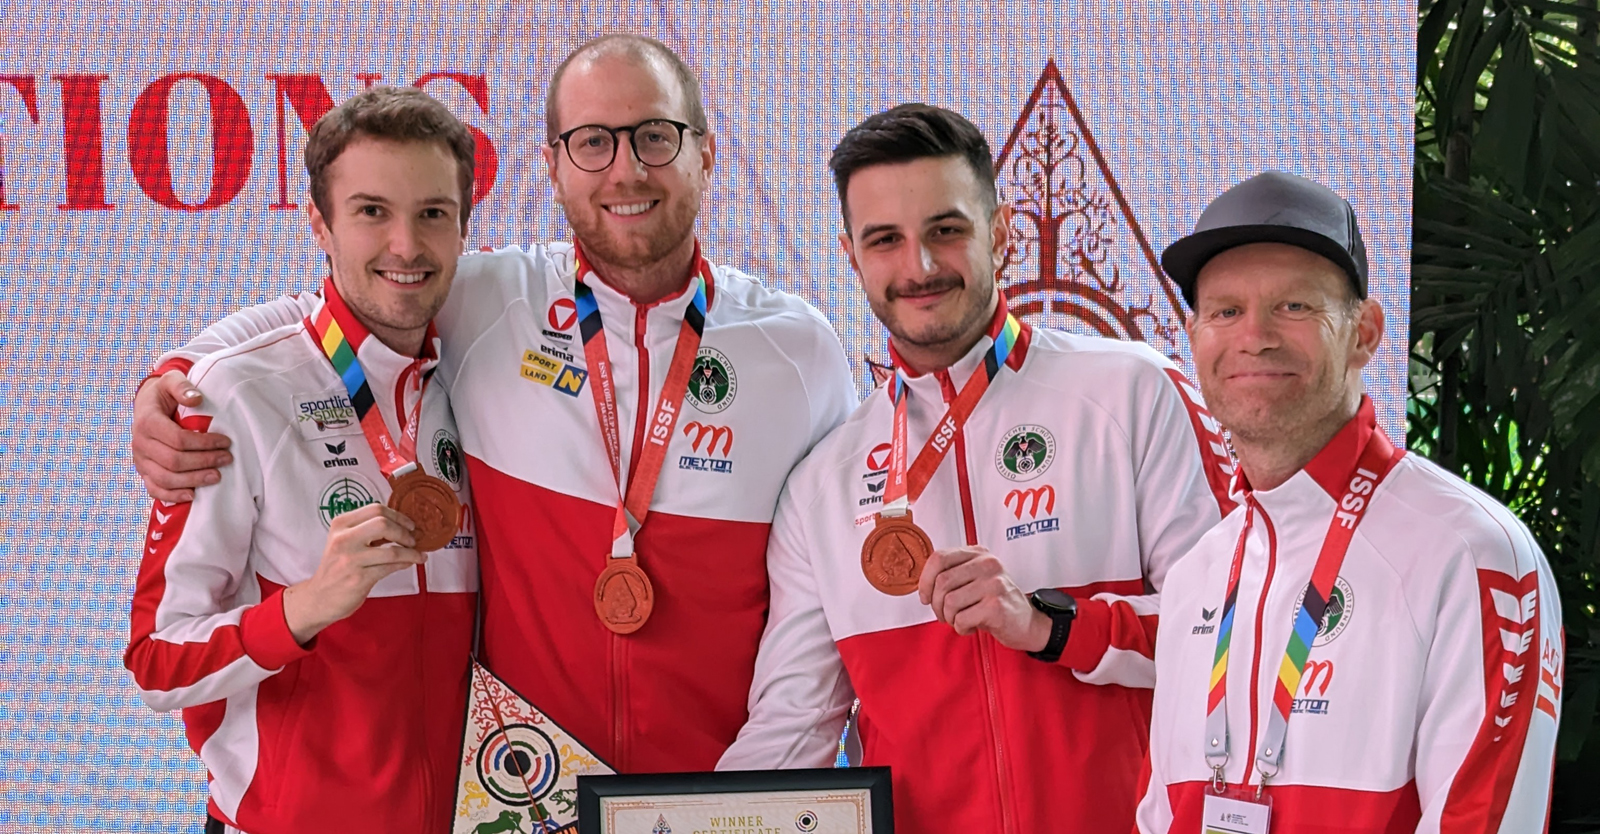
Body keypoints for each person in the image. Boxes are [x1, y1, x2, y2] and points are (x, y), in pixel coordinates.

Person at [127, 34, 857, 772]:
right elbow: (332, 311)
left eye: (657, 137)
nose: (627, 169)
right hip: (528, 800)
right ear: (554, 167)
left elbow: (820, 619)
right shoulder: (491, 301)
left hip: (718, 802)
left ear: (705, 152)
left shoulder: (801, 352)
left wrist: (747, 798)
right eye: (593, 142)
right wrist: (172, 374)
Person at [716, 104, 1237, 833]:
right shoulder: (823, 485)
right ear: (852, 255)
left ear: (1002, 230)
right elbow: (790, 730)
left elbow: (1235, 636)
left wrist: (1055, 626)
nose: (920, 267)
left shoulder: (1134, 392)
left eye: (946, 230)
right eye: (885, 241)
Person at [1134, 171, 1564, 833]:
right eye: (1225, 311)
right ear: (1193, 337)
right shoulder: (1198, 574)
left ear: (1364, 331)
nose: (1255, 336)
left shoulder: (1471, 554)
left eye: (1295, 307)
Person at [123, 87, 478, 833]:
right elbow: (157, 660)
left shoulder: (482, 372)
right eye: (372, 211)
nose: (406, 246)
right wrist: (303, 609)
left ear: (463, 226)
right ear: (319, 222)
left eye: (432, 214)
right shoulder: (236, 394)